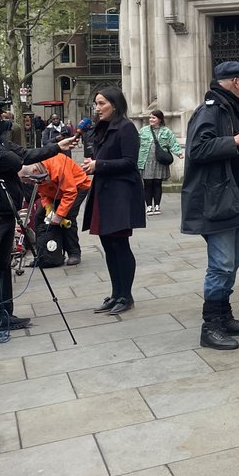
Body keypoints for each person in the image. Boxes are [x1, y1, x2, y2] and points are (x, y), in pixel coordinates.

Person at [0, 92, 77, 335]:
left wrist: (56, 147)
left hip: (3, 209)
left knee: (3, 264)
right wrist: (14, 154)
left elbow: (23, 154)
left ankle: (5, 313)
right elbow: (14, 162)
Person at [181, 61, 239, 350]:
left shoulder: (232, 110)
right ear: (235, 81)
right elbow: (197, 149)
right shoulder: (211, 110)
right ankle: (210, 326)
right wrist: (236, 139)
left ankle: (225, 316)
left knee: (233, 262)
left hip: (234, 197)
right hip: (216, 200)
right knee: (222, 264)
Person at [80, 87, 145, 315]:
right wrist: (91, 163)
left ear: (115, 105)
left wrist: (99, 165)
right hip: (103, 192)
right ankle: (116, 293)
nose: (97, 109)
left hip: (120, 194)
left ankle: (126, 296)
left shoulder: (126, 128)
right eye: (96, 104)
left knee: (120, 245)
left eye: (101, 104)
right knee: (108, 245)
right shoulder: (101, 128)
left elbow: (130, 162)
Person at [19, 153, 92, 266]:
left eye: (31, 181)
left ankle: (74, 253)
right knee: (39, 216)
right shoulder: (38, 174)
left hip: (77, 187)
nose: (32, 184)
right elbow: (43, 192)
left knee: (68, 216)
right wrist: (48, 207)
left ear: (34, 171)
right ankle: (42, 253)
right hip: (55, 192)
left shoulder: (57, 167)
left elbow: (70, 192)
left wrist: (59, 215)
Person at [137, 110, 182, 215]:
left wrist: (179, 152)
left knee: (157, 183)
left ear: (160, 119)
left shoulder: (166, 131)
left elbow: (173, 143)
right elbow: (136, 144)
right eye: (150, 118)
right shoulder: (143, 130)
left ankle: (157, 205)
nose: (151, 120)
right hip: (146, 161)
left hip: (159, 162)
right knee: (147, 183)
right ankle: (148, 206)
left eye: (153, 118)